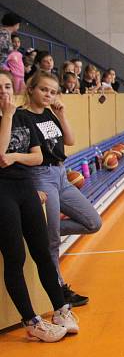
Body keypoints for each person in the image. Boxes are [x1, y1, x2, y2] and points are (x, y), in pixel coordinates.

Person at [0, 70, 79, 342]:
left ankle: (61, 309)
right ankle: (32, 321)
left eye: (8, 86)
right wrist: (7, 117)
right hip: (2, 193)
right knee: (15, 258)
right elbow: (0, 155)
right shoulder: (13, 116)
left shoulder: (22, 118)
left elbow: (37, 157)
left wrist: (15, 157)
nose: (4, 92)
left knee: (43, 252)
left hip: (25, 187)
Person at [22, 71, 103, 307]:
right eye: (43, 89)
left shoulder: (49, 113)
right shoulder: (22, 117)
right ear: (31, 89)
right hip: (41, 177)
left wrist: (61, 115)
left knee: (93, 223)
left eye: (52, 91)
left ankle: (47, 232)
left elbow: (69, 140)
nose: (48, 95)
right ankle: (60, 289)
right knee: (53, 244)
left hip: (61, 174)